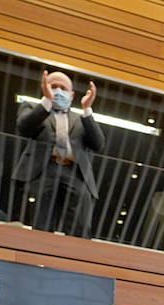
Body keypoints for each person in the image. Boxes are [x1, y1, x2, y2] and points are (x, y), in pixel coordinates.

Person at [12, 70, 104, 237]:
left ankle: (74, 259)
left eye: (63, 88)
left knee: (80, 225)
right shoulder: (33, 108)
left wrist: (87, 109)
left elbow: (98, 144)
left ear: (72, 94)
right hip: (45, 169)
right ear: (44, 87)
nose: (58, 91)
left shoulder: (80, 119)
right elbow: (24, 127)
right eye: (53, 86)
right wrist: (47, 101)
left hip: (74, 172)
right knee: (41, 223)